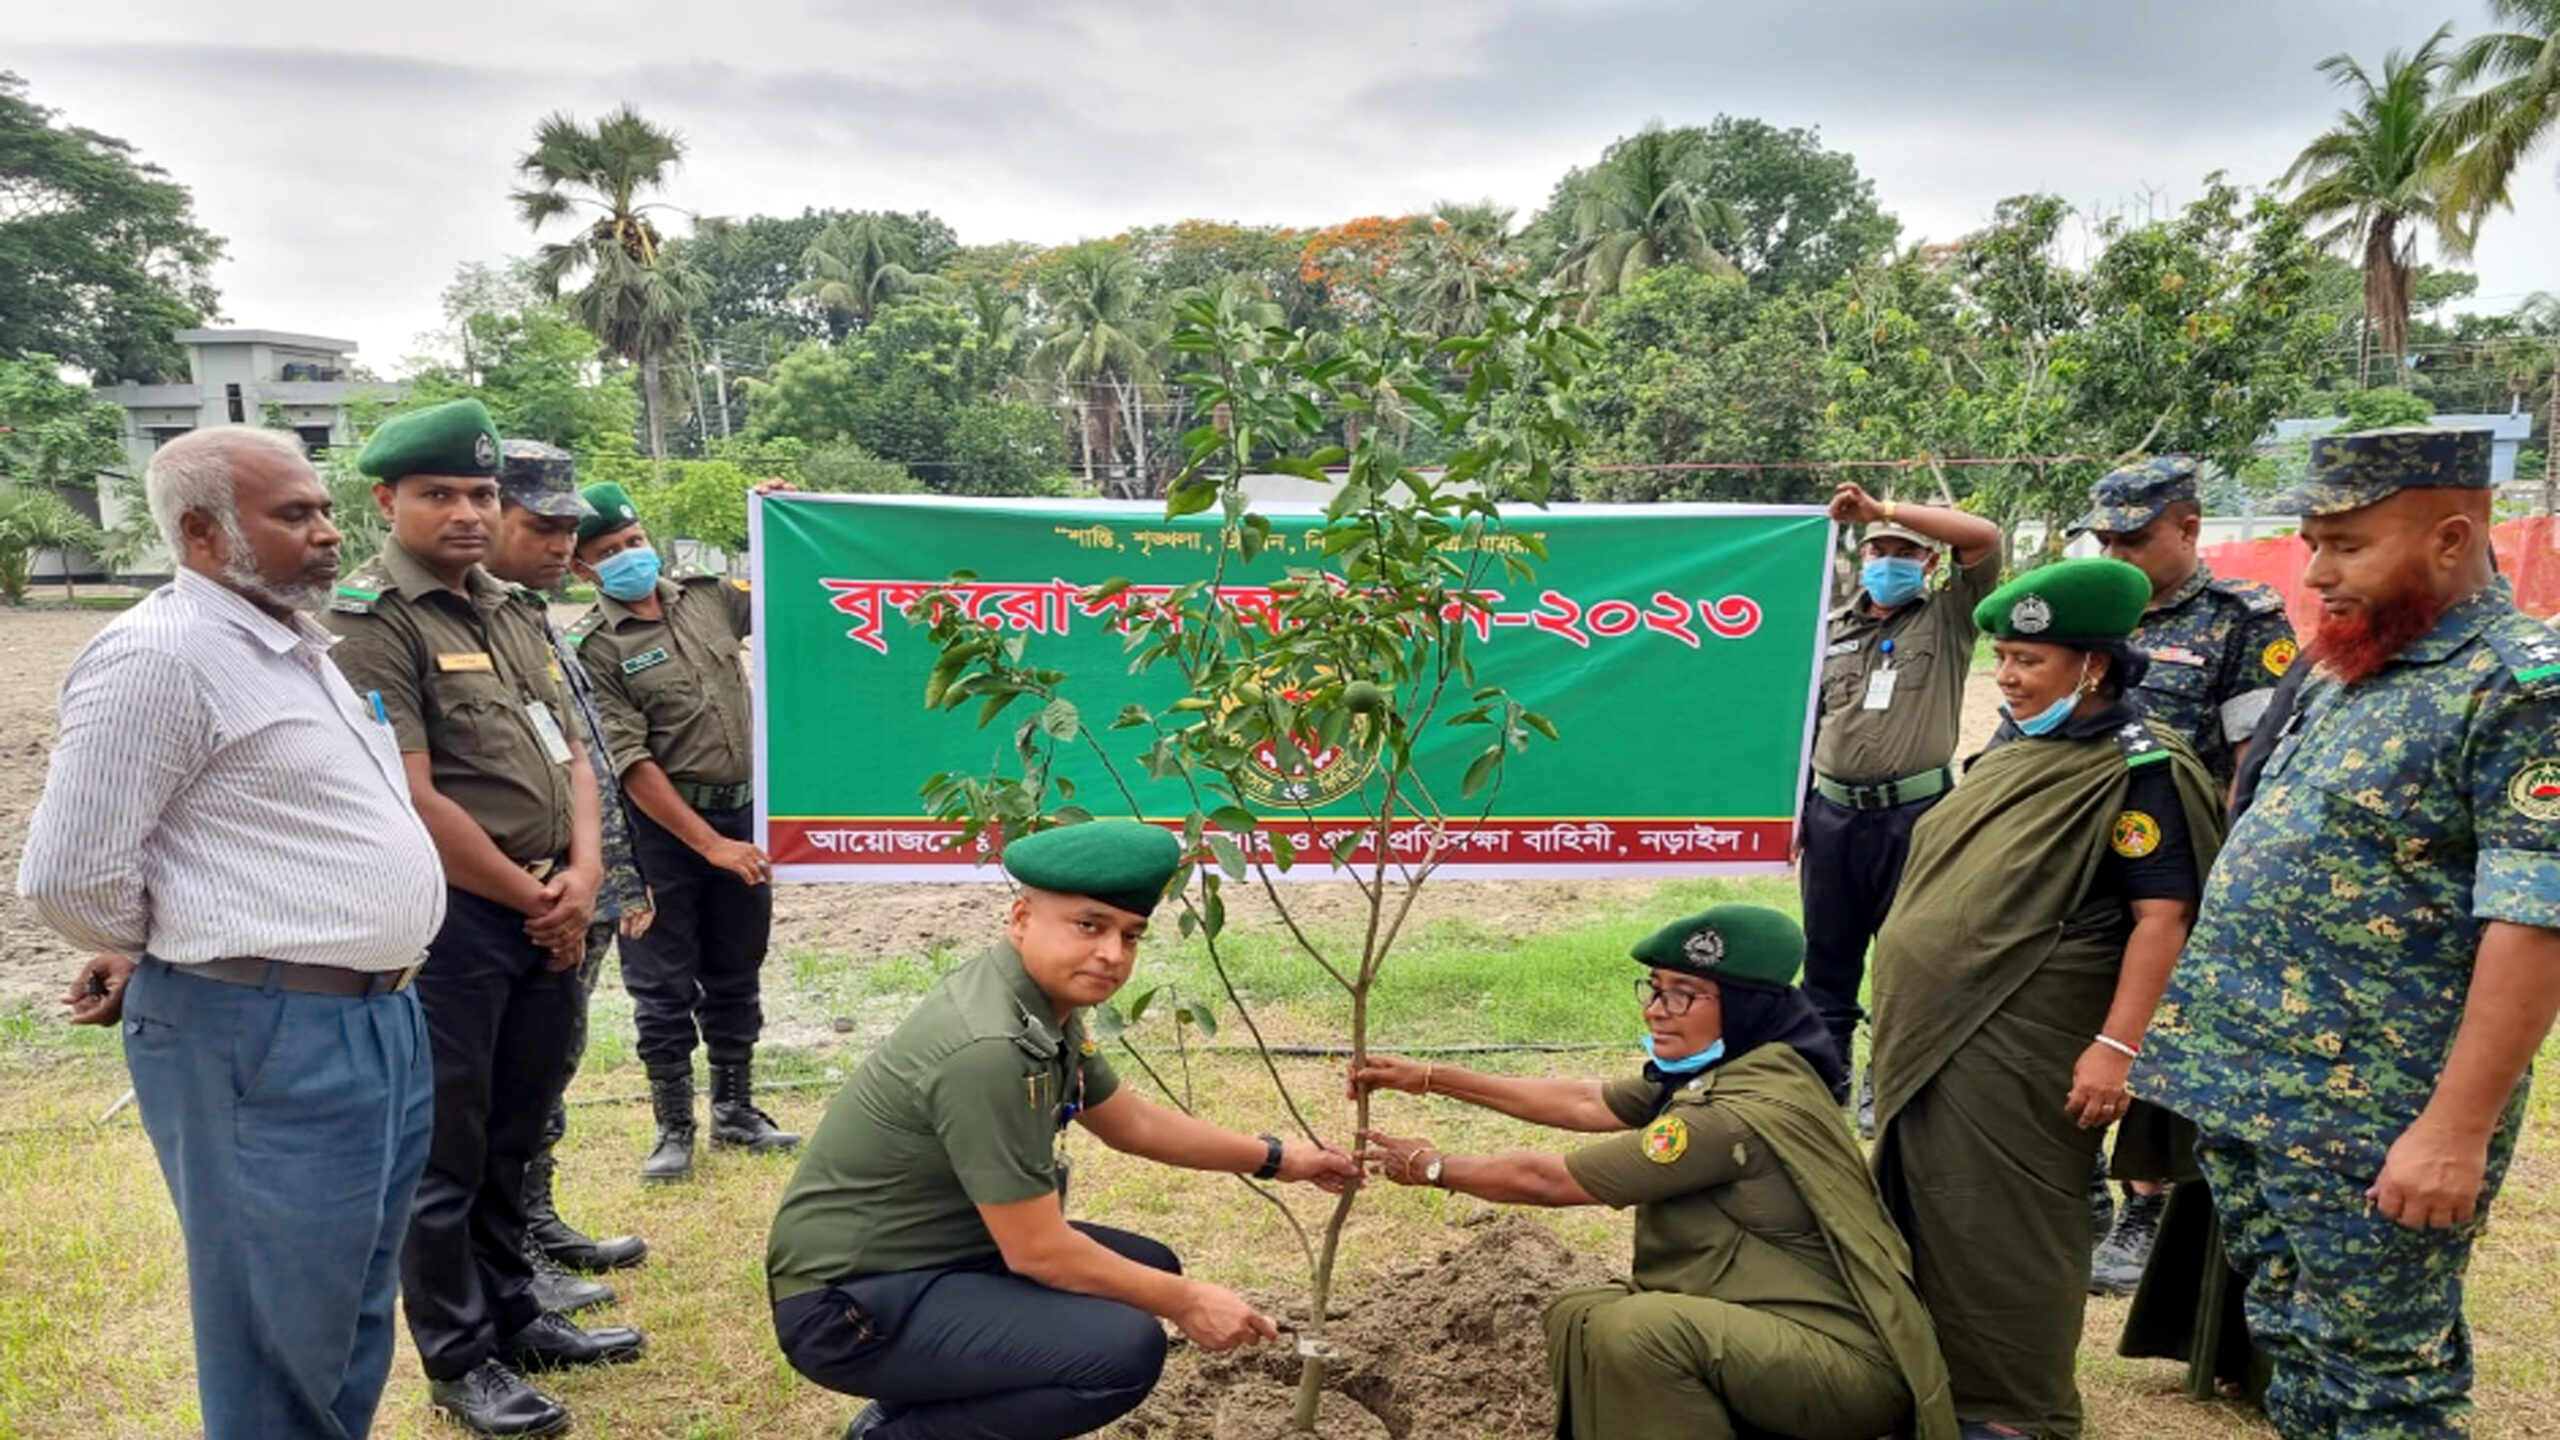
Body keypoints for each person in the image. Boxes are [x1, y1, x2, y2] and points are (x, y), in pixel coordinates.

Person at [2133, 427, 2560, 1440]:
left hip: (2372, 1119)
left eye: (2346, 543)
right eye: (2310, 540)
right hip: (2255, 1092)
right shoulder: (2351, 660)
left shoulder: (2519, 687)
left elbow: (2535, 923)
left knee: (2384, 1390)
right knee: (2294, 1354)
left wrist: (2452, 1134)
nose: (2315, 571)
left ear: (2452, 538)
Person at [17, 427, 444, 1440]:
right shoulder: (158, 655)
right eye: (295, 514)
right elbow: (69, 875)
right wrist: (177, 945)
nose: (331, 532)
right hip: (263, 1030)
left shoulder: (294, 646)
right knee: (276, 1329)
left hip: (375, 1019)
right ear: (203, 533)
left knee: (346, 1310)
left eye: (325, 508)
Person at [765, 819, 1359, 1440]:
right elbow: (1039, 1252)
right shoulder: (990, 1045)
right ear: (1021, 918)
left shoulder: (1033, 999)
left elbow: (1130, 1122)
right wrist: (1186, 1302)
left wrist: (1278, 1157)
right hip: (848, 1305)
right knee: (1120, 1354)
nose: (1112, 954)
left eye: (1130, 936)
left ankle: (910, 1413)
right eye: (1089, 926)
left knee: (1148, 1267)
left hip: (934, 1254)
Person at [324, 399, 643, 1438]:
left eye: (478, 494)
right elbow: (411, 793)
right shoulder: (372, 620)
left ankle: (518, 1311)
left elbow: (570, 754)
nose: (466, 512)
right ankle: (460, 1357)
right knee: (446, 1151)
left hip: (552, 900)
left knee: (517, 1127)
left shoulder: (510, 608)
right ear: (388, 501)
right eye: (440, 494)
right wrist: (535, 897)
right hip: (456, 924)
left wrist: (582, 875)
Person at [1353, 905, 1957, 1440]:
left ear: (1744, 1006)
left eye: (1682, 994)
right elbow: (1587, 1102)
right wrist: (1431, 1078)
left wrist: (1430, 1166)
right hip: (1780, 1337)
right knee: (1582, 1314)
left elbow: (1552, 1181)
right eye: (1655, 988)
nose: (1655, 1009)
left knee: (1640, 1331)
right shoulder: (1750, 1065)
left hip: (1843, 1373)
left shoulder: (1727, 1117)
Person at [1866, 557, 2225, 1440]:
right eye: (2003, 657)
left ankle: (2014, 1408)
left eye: (2029, 659)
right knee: (1933, 1204)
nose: (2009, 676)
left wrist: (2118, 1048)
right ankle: (1933, 1380)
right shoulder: (2015, 749)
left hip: (2030, 1037)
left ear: (2092, 666)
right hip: (1937, 1034)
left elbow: (2164, 916)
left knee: (2011, 1223)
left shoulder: (2139, 771)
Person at [2071, 455, 2299, 1294]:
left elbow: (2255, 760)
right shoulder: (2095, 611)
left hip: (2179, 862)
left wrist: (2231, 875)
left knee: (2158, 1035)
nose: (2118, 554)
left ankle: (2147, 1203)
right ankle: (2083, 1187)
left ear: (2189, 525)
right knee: (2073, 1014)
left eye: (2135, 539)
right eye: (2106, 538)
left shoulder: (2242, 618)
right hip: (2084, 855)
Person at [566, 480, 796, 1181]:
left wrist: (781, 518)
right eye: (609, 552)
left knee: (736, 966)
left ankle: (736, 1110)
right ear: (582, 568)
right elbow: (628, 760)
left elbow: (788, 589)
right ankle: (673, 1127)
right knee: (661, 984)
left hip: (742, 811)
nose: (629, 556)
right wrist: (709, 845)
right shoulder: (594, 646)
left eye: (634, 542)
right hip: (660, 832)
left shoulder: (706, 598)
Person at [481, 440, 652, 1314]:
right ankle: (507, 1249)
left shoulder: (527, 617)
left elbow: (575, 759)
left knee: (551, 1067)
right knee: (505, 1085)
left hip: (579, 889)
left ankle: (533, 1221)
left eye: (569, 529)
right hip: (512, 901)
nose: (561, 545)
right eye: (540, 526)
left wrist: (611, 881)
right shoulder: (454, 620)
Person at [1801, 482, 2003, 1124]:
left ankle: (1885, 1077)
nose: (1888, 560)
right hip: (1832, 813)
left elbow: (1985, 537)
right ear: (1861, 559)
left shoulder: (1948, 616)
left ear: (1929, 562)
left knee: (1907, 950)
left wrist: (1882, 509)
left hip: (1916, 815)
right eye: (1877, 549)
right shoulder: (1828, 626)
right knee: (1828, 948)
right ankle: (1823, 1071)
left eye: (1904, 551)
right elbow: (1807, 726)